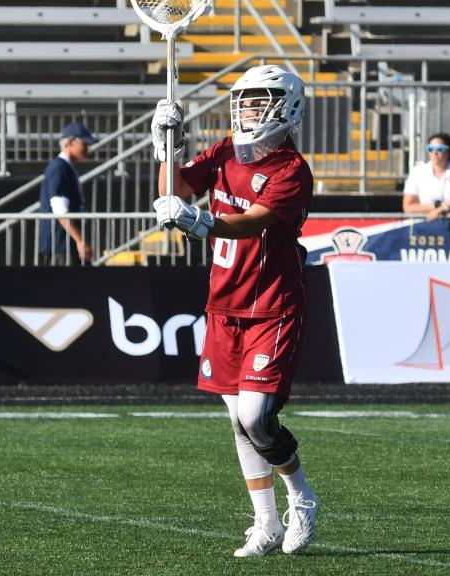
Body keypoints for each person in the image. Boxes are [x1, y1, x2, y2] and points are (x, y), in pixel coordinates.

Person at [151, 65, 319, 557]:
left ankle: (302, 498)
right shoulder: (225, 149)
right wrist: (167, 144)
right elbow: (175, 189)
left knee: (257, 417)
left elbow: (251, 224)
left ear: (286, 108)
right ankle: (264, 524)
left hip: (271, 304)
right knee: (236, 421)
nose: (247, 109)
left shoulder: (291, 169)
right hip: (225, 304)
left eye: (258, 101)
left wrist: (199, 222)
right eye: (244, 100)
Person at [37, 121, 97, 265]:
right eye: (84, 143)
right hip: (59, 247)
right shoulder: (59, 168)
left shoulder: (66, 167)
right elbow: (60, 210)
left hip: (64, 245)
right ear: (70, 142)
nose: (88, 148)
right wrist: (80, 240)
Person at [402, 132, 450, 221]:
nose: (434, 153)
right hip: (424, 227)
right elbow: (408, 207)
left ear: (449, 152)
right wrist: (439, 207)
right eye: (430, 148)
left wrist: (445, 209)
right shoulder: (418, 171)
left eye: (440, 149)